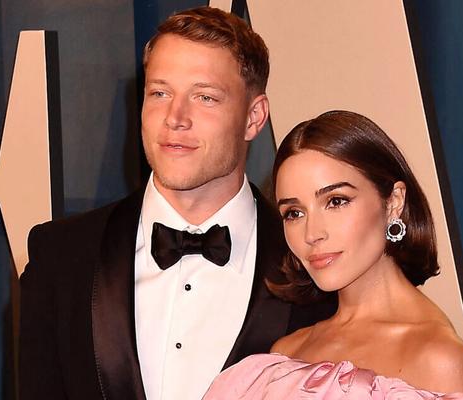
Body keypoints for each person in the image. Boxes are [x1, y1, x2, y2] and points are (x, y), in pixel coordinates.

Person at [19, 7, 334, 400]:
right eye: (160, 93)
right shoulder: (60, 257)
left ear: (254, 118)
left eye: (204, 97)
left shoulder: (312, 266)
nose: (175, 118)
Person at [203, 110, 463, 399]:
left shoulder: (438, 359)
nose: (312, 233)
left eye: (336, 201)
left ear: (394, 202)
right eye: (294, 213)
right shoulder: (285, 355)